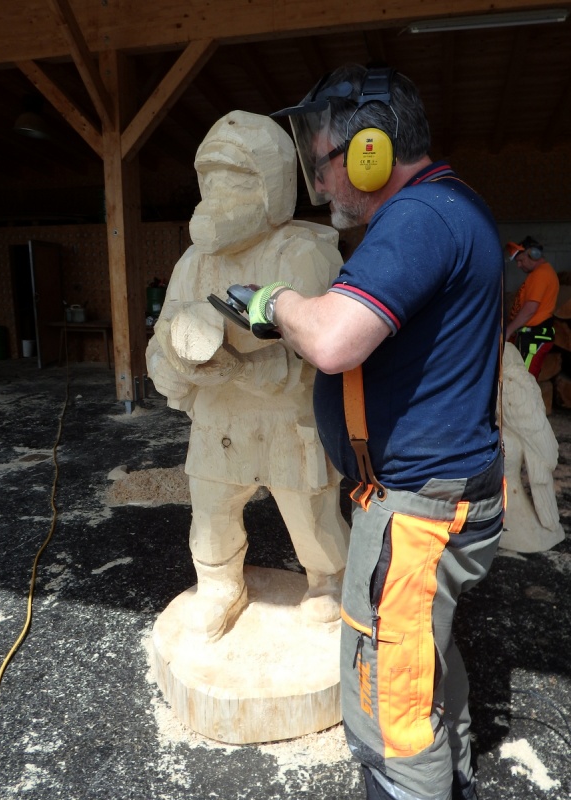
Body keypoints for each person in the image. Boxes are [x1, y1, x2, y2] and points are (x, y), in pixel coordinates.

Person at [243, 65, 505, 800]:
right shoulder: (446, 207)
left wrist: (277, 302)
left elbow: (333, 340)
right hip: (437, 492)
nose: (321, 182)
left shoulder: (420, 217)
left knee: (389, 711)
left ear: (371, 151)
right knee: (421, 665)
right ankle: (452, 781)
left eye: (324, 160)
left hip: (418, 508)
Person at [146, 110, 350, 642]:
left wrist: (238, 366)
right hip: (219, 419)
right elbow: (163, 333)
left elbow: (318, 355)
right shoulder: (194, 261)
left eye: (234, 181)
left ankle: (328, 580)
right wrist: (169, 366)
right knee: (211, 511)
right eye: (209, 181)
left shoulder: (301, 253)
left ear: (273, 188)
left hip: (287, 420)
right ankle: (219, 585)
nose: (216, 195)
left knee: (309, 513)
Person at [505, 236, 559, 379]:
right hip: (530, 337)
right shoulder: (538, 274)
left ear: (533, 254)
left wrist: (509, 330)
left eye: (521, 260)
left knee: (525, 382)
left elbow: (530, 309)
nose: (519, 265)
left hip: (534, 338)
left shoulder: (541, 274)